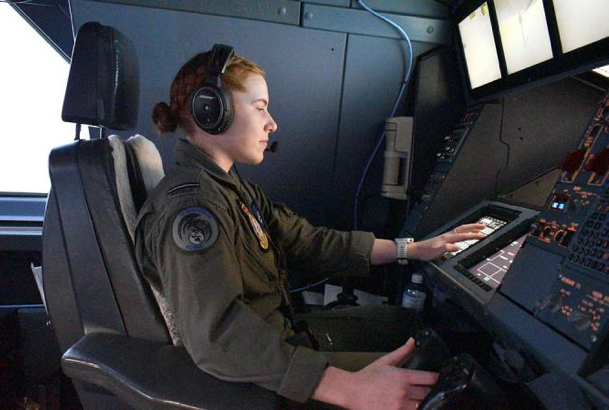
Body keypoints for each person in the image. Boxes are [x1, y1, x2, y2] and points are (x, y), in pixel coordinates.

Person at [134, 47, 486, 409]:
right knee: (440, 382)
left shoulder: (229, 189)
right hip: (265, 374)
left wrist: (408, 249)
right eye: (259, 108)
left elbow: (308, 242)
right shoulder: (193, 208)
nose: (272, 123)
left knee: (410, 323)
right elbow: (217, 333)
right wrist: (349, 389)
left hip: (280, 339)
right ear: (212, 112)